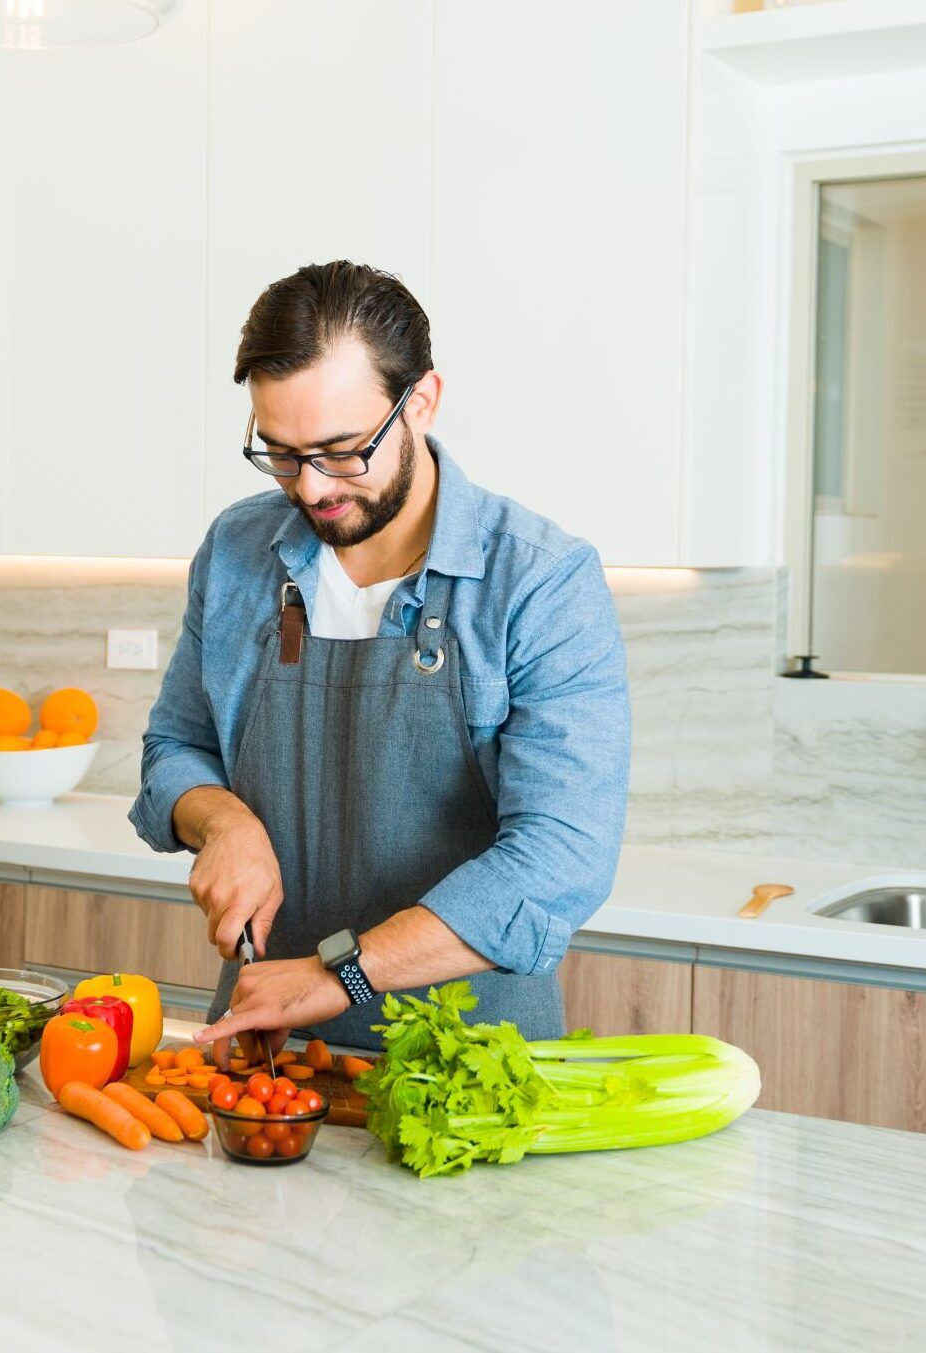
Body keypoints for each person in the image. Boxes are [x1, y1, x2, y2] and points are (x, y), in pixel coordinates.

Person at [128, 260, 630, 1058]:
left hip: (468, 1068)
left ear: (421, 402)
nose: (312, 488)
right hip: (265, 1051)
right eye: (282, 454)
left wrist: (337, 978)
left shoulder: (538, 580)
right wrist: (222, 821)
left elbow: (559, 858)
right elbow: (176, 747)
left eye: (340, 450)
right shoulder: (237, 551)